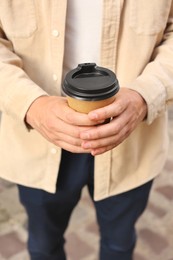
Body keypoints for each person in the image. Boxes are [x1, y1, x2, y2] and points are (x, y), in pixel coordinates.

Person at [0, 1, 173, 259]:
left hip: (133, 141)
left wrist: (146, 95)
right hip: (38, 141)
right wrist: (32, 106)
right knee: (44, 246)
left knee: (119, 246)